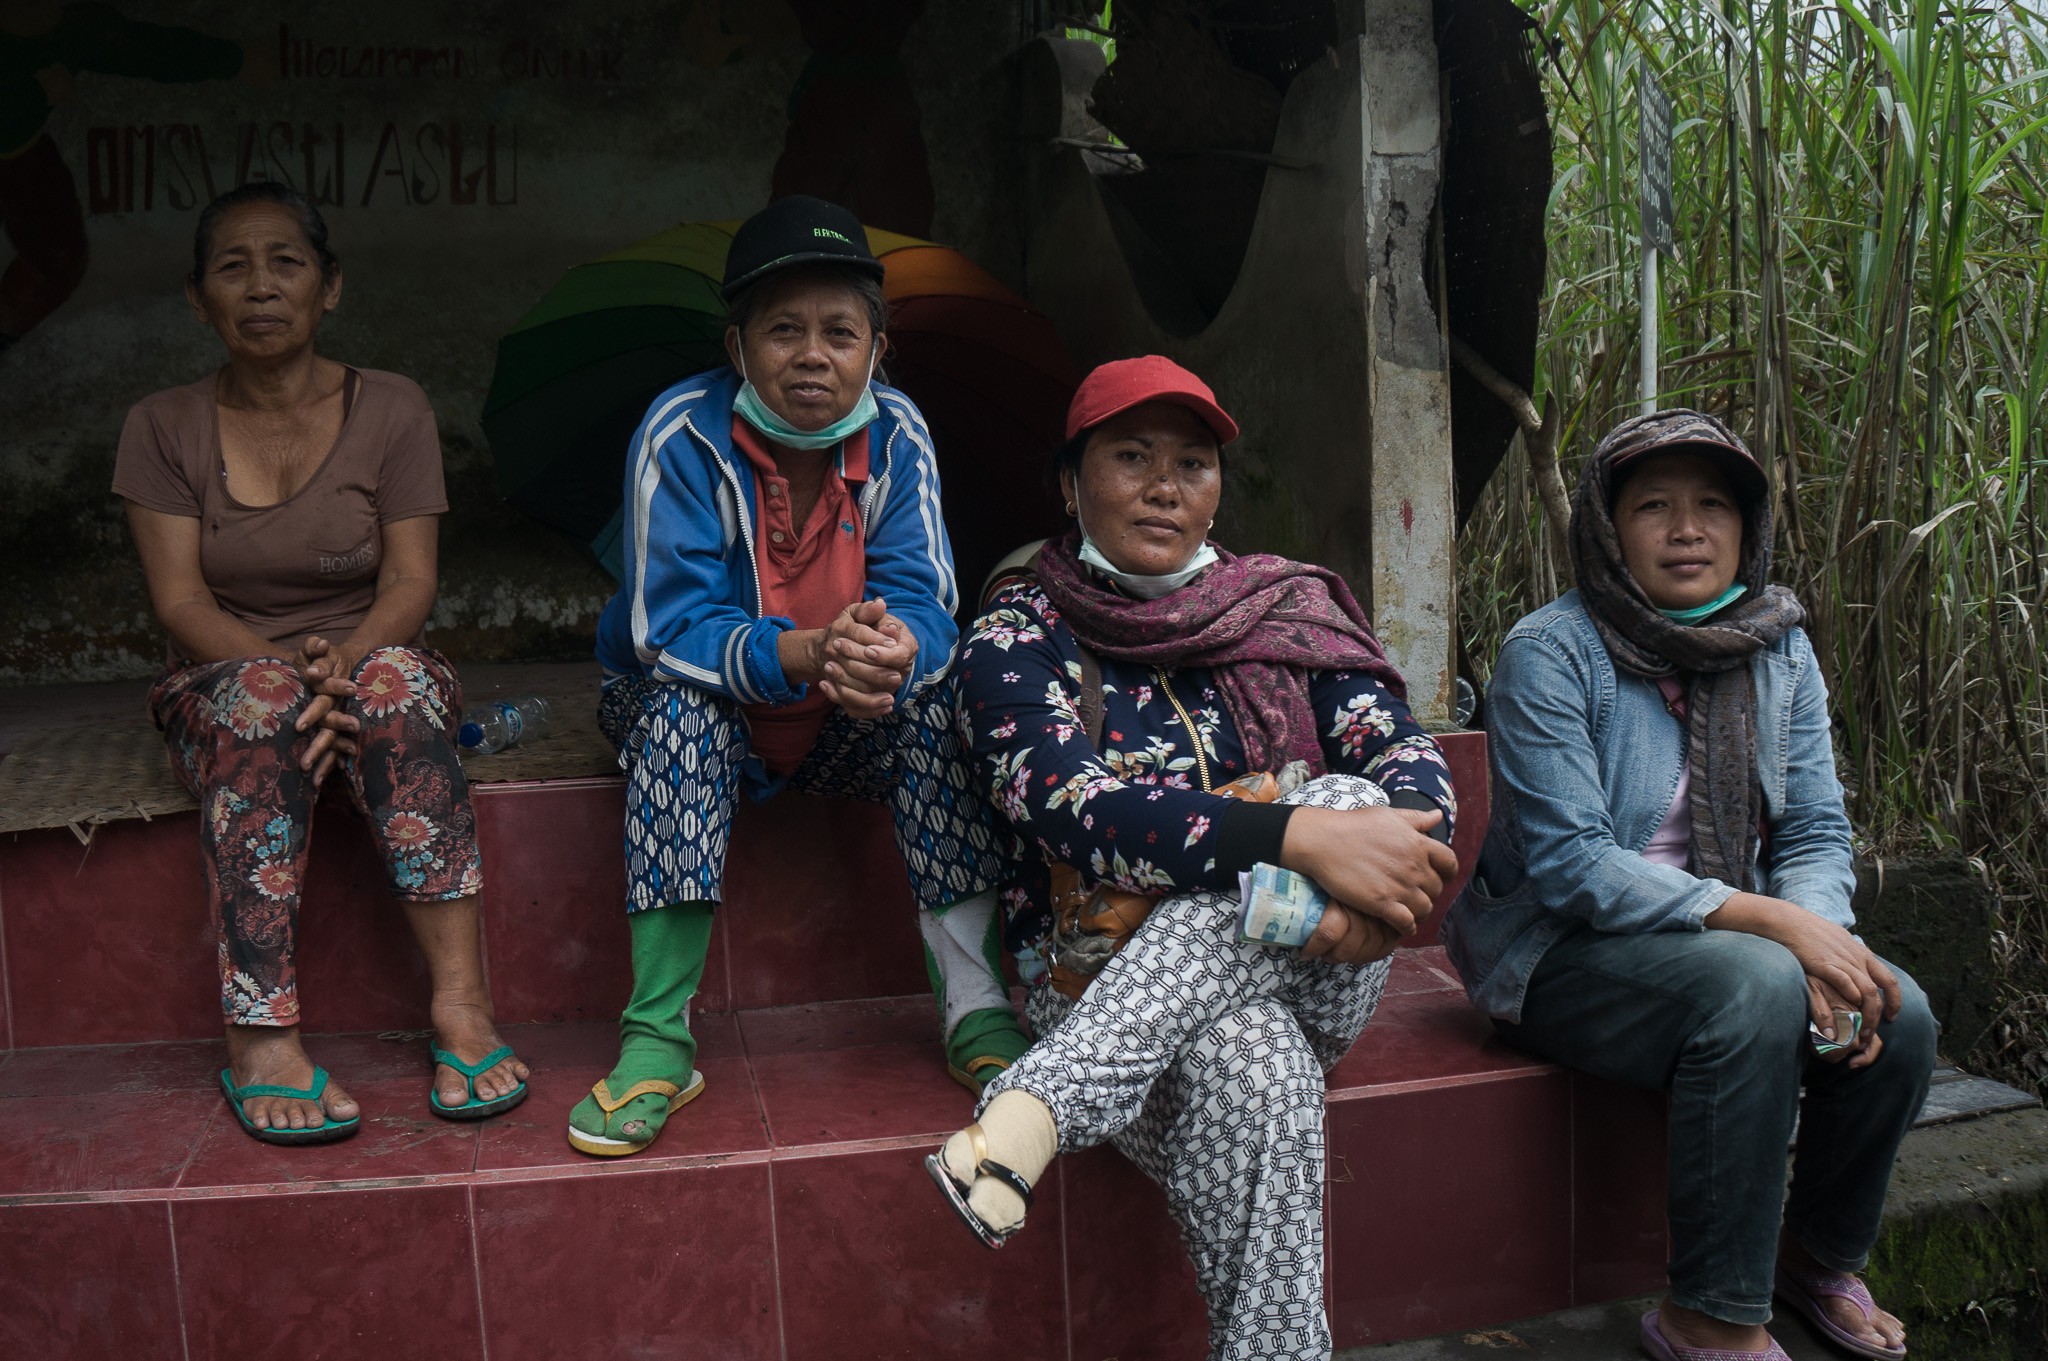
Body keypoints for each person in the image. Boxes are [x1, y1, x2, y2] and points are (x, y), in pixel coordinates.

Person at [934, 356, 1460, 1361]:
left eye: (1191, 461)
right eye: (1130, 457)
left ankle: (1038, 1106)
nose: (1165, 485)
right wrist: (1297, 841)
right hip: (1093, 979)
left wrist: (1358, 873)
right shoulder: (1015, 637)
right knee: (1255, 1055)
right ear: (1068, 481)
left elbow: (1408, 763)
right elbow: (1075, 812)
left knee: (1354, 793)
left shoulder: (1284, 614)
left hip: (1335, 963)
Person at [1443, 410, 1936, 1361]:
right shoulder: (1551, 652)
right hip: (1558, 952)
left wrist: (1825, 941)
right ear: (1606, 527)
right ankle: (1708, 1314)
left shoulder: (1778, 649)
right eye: (1654, 506)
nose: (1687, 528)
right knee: (1754, 984)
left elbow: (1817, 829)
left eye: (1713, 505)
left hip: (1729, 946)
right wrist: (1775, 927)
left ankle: (1812, 1252)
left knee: (1900, 1009)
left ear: (1746, 528)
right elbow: (1572, 863)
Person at [570, 194, 1021, 1157]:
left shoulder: (898, 435)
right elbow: (669, 630)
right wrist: (807, 652)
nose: (812, 354)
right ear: (737, 349)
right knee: (682, 712)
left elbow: (930, 601)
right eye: (783, 330)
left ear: (877, 350)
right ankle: (657, 1037)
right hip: (699, 708)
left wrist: (895, 654)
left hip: (838, 713)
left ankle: (977, 1008)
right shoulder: (681, 434)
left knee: (935, 711)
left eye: (839, 331)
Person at [114, 182, 527, 1145]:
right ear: (197, 297)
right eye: (233, 266)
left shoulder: (393, 407)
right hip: (224, 677)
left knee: (399, 689)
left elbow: (412, 577)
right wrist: (295, 678)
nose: (261, 286)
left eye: (286, 262)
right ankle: (262, 1036)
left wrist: (346, 662)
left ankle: (462, 1007)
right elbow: (179, 602)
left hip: (369, 654)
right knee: (260, 703)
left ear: (329, 287)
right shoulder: (162, 424)